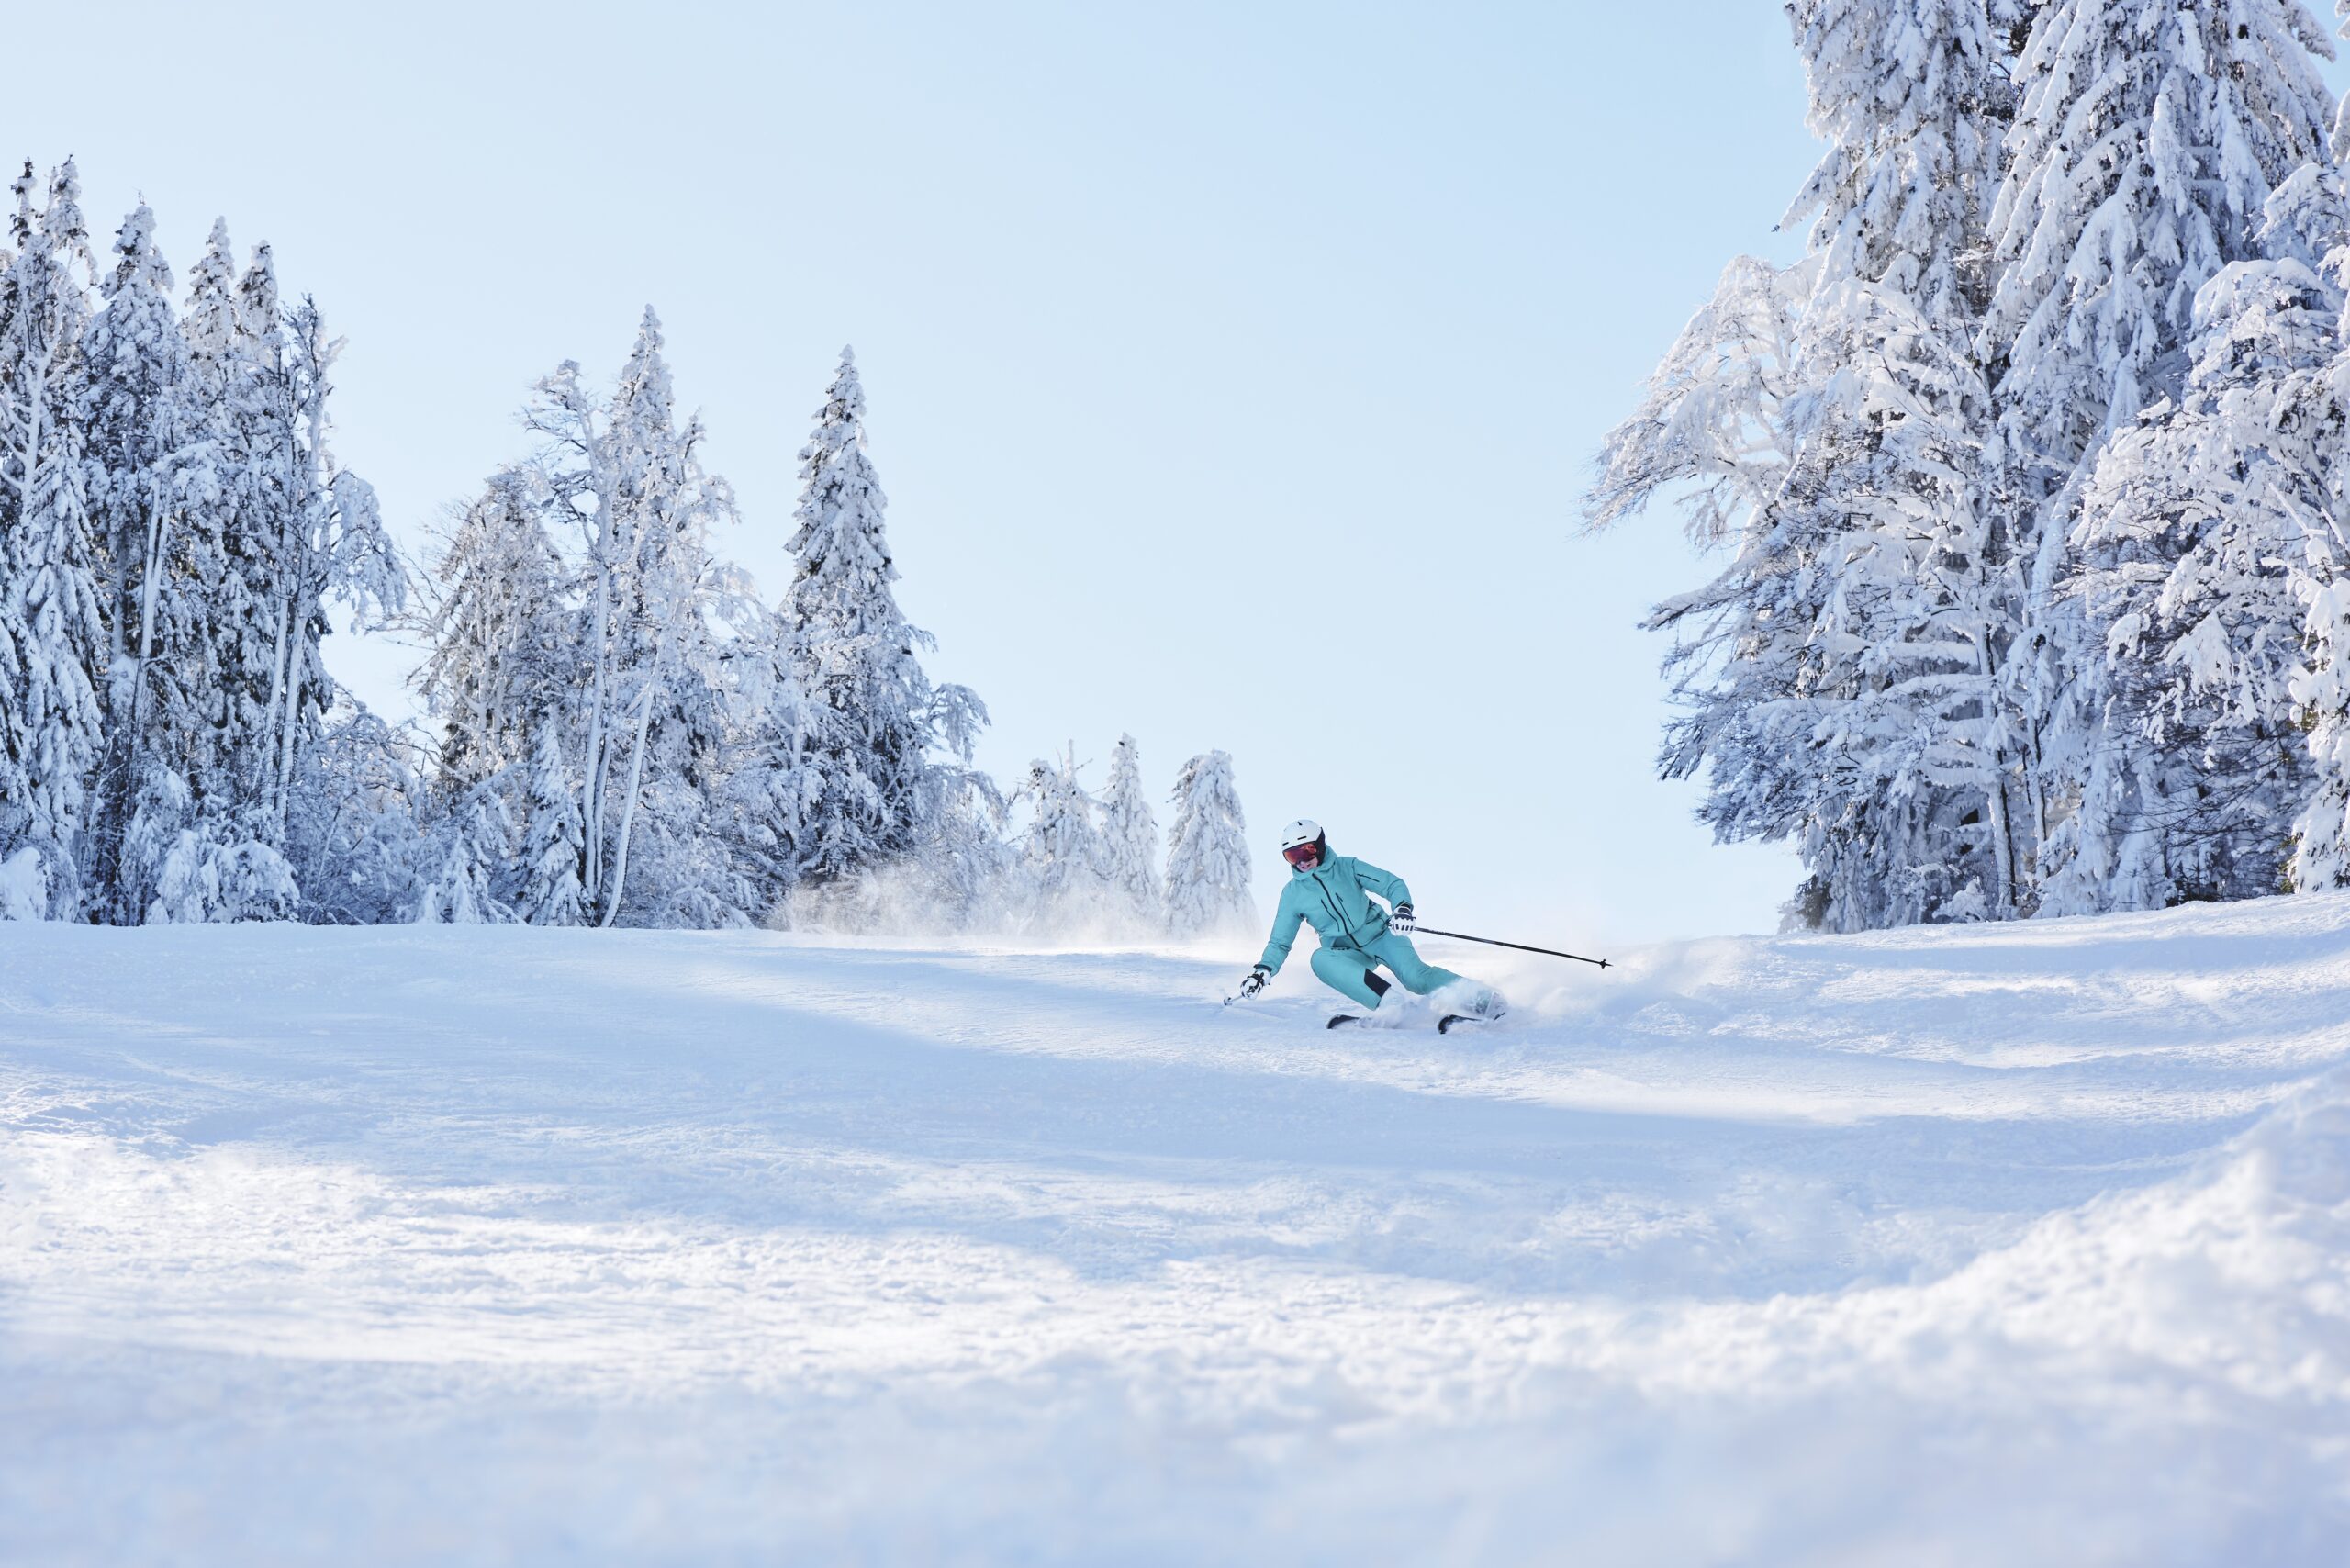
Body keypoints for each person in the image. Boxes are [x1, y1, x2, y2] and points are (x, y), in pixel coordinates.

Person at [1237, 819, 1505, 1019]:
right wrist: (1263, 971)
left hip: (1382, 935)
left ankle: (1485, 999)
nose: (1301, 862)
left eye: (1305, 852)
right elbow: (1280, 941)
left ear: (1318, 846)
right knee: (1320, 959)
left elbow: (1392, 884)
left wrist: (1402, 909)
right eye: (1292, 856)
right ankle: (1390, 1004)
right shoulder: (1292, 894)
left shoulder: (1347, 866)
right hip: (1347, 951)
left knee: (1416, 978)